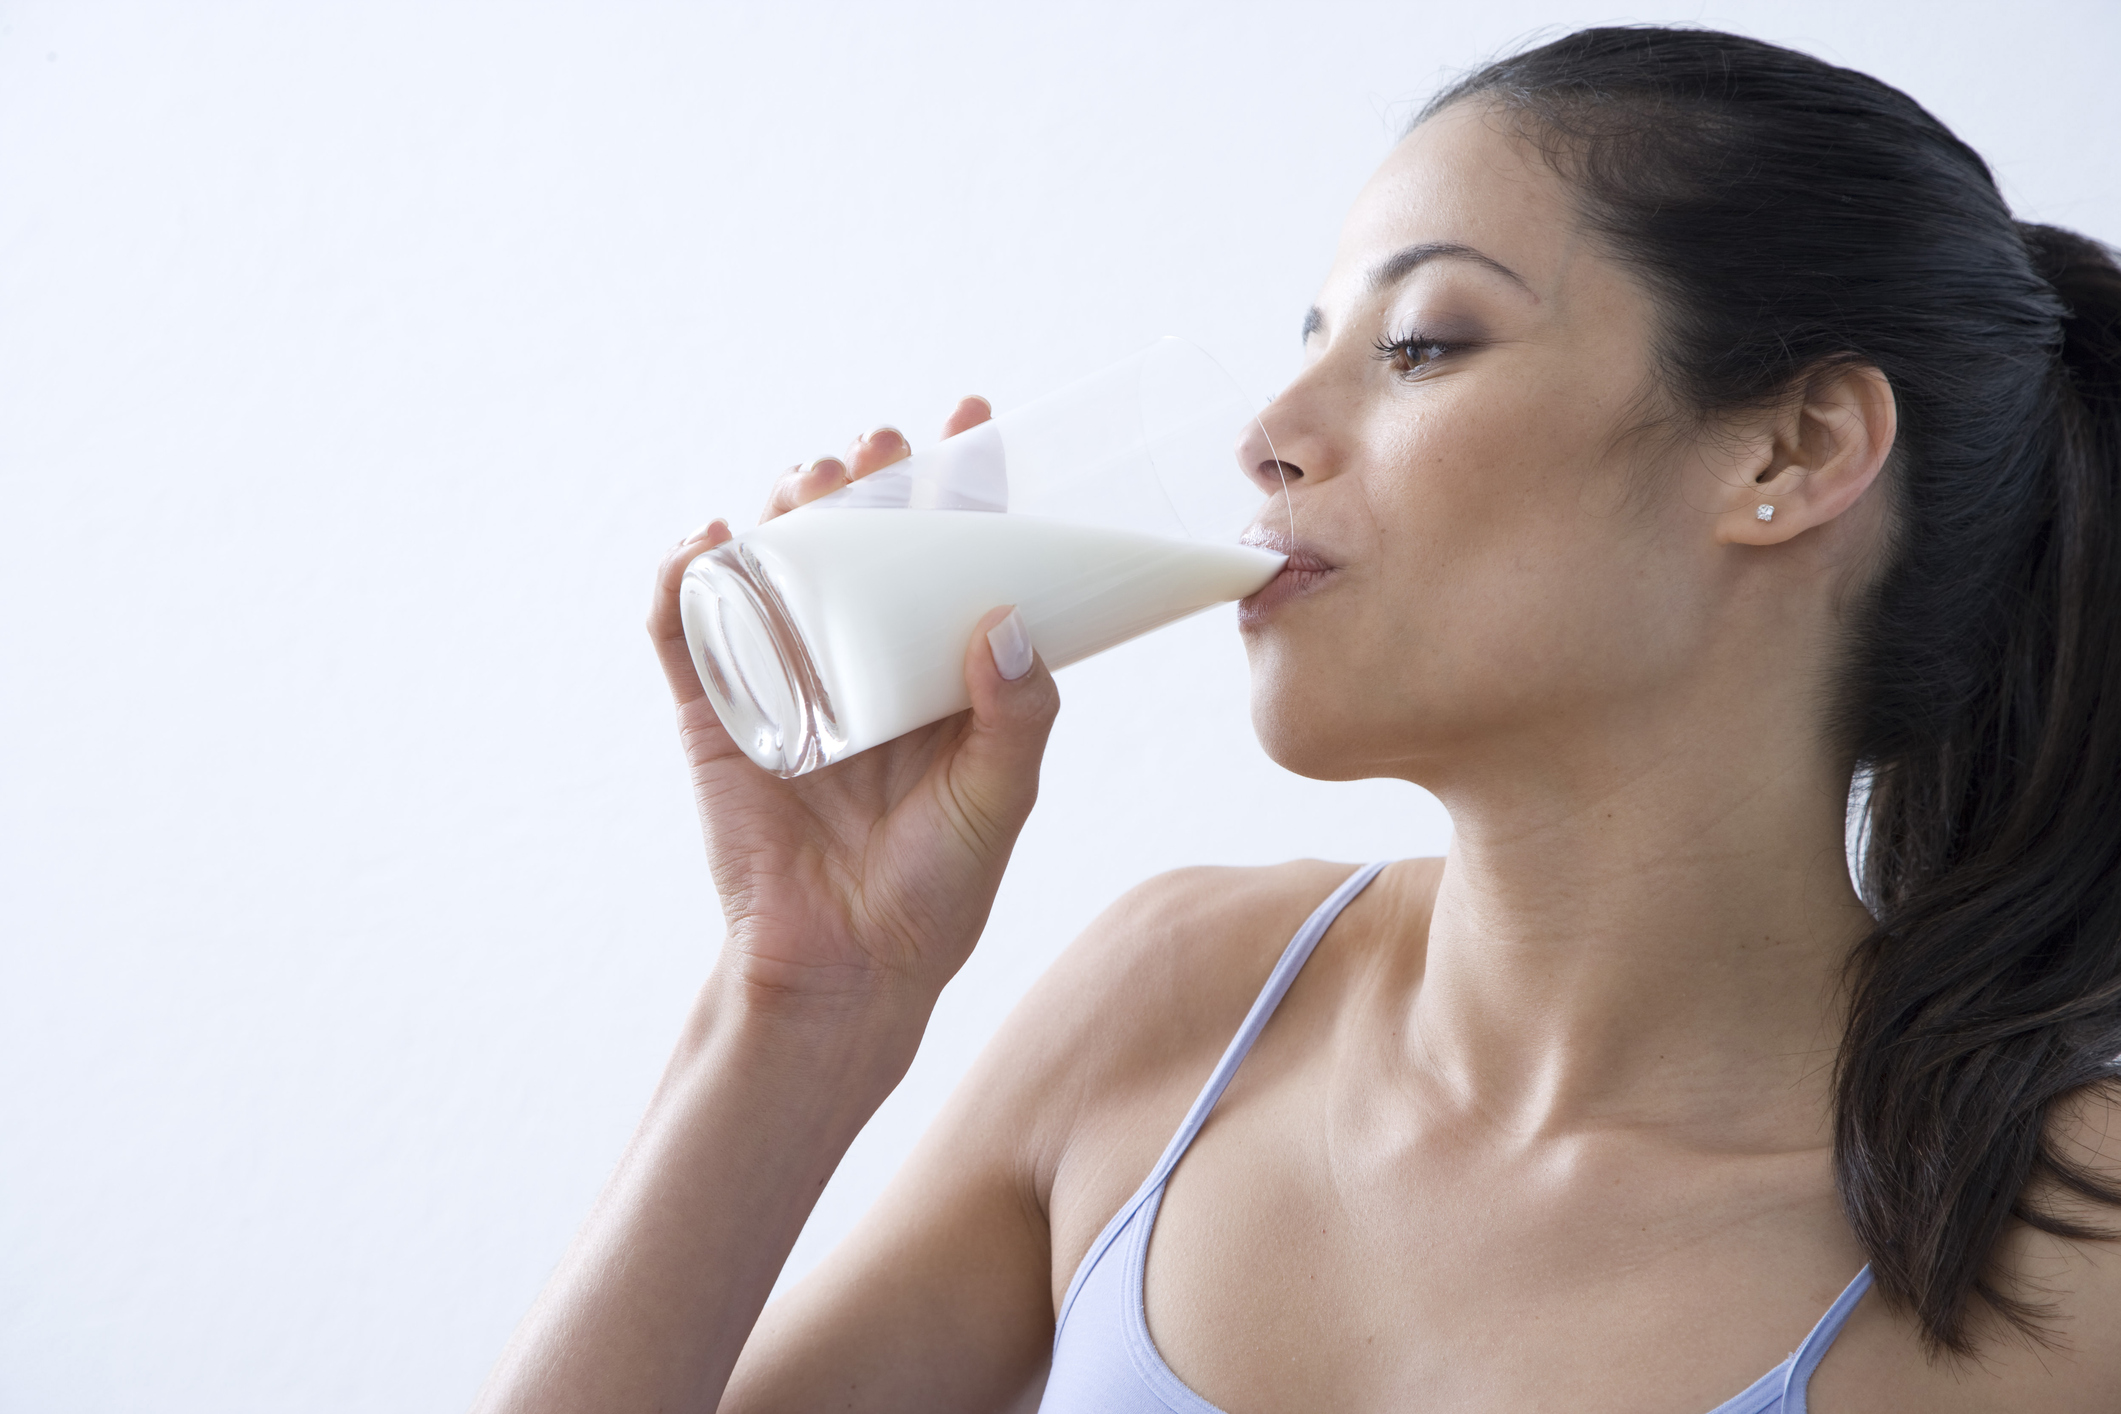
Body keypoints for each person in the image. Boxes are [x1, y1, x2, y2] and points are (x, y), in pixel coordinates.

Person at [473, 26, 2121, 1413]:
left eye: (1422, 343)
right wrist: (799, 1001)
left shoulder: (2072, 1242)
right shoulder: (1179, 1007)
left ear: (1789, 453)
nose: (1266, 430)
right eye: (1310, 343)